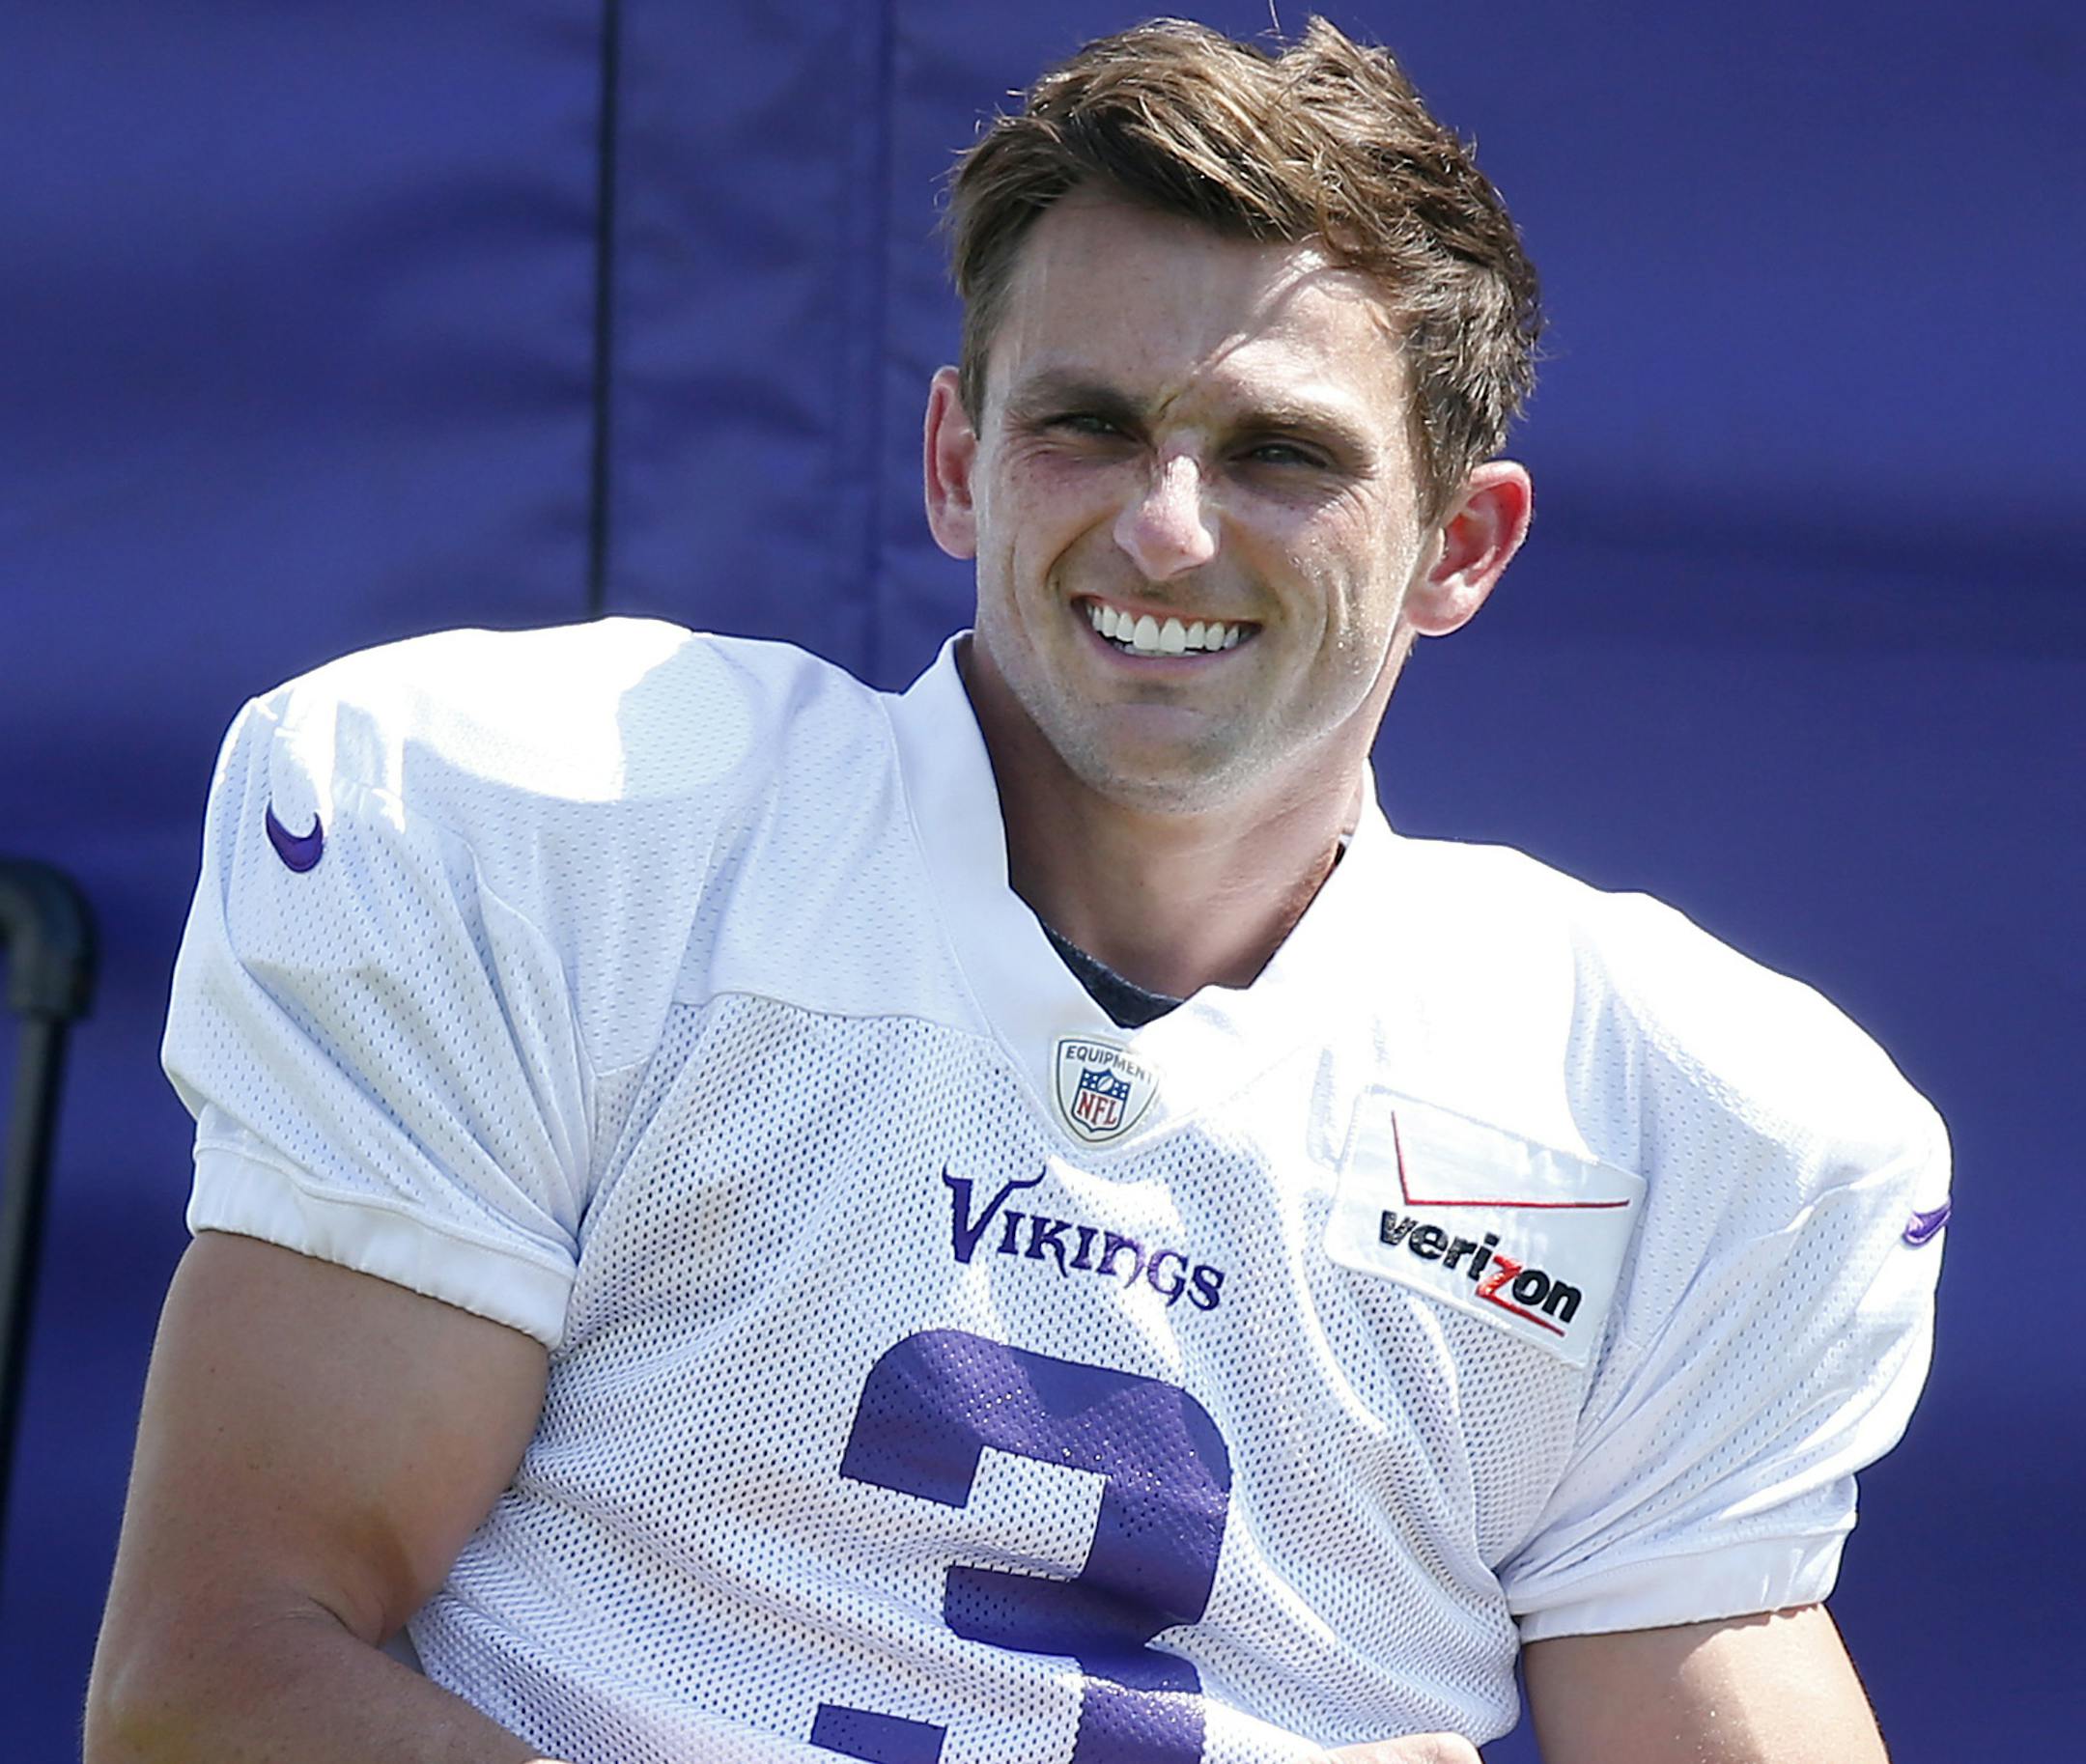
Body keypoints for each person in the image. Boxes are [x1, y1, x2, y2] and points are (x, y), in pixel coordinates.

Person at [86, 17, 1947, 1764]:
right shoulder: (564, 837)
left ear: (1460, 543)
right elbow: (223, 1679)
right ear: (957, 462)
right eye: (1089, 424)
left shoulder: (1682, 1120)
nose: (1163, 525)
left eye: (1281, 454)